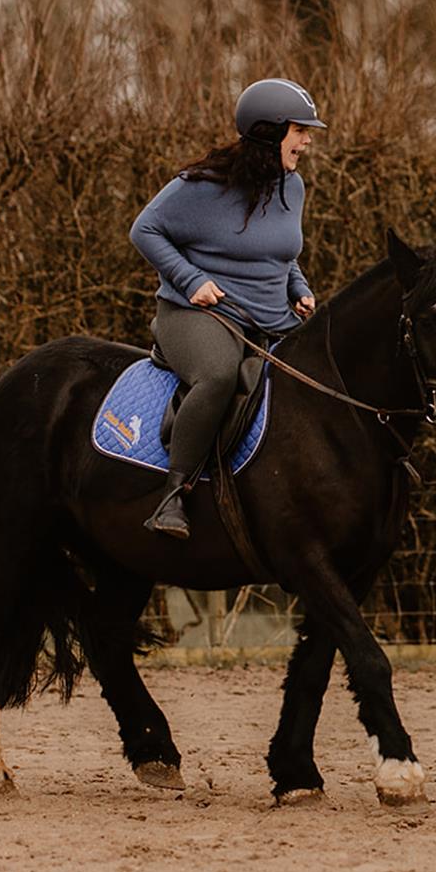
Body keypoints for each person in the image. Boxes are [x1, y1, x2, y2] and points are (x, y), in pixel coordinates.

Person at [129, 78, 326, 538]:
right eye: (299, 130)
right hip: (198, 315)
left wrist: (297, 286)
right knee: (218, 374)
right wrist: (191, 280)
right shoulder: (198, 187)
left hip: (271, 318)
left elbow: (282, 252)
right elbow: (144, 230)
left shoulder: (291, 186)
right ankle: (174, 495)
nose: (307, 140)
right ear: (270, 132)